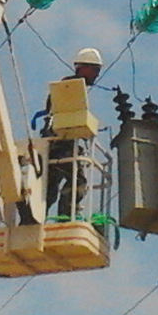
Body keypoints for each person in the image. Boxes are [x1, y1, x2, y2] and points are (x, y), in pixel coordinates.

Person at [45, 48, 103, 219]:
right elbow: (69, 117)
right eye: (95, 70)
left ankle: (35, 219)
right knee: (77, 181)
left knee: (50, 188)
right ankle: (67, 215)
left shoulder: (70, 87)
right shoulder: (70, 87)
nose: (96, 75)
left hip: (55, 144)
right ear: (83, 67)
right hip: (62, 144)